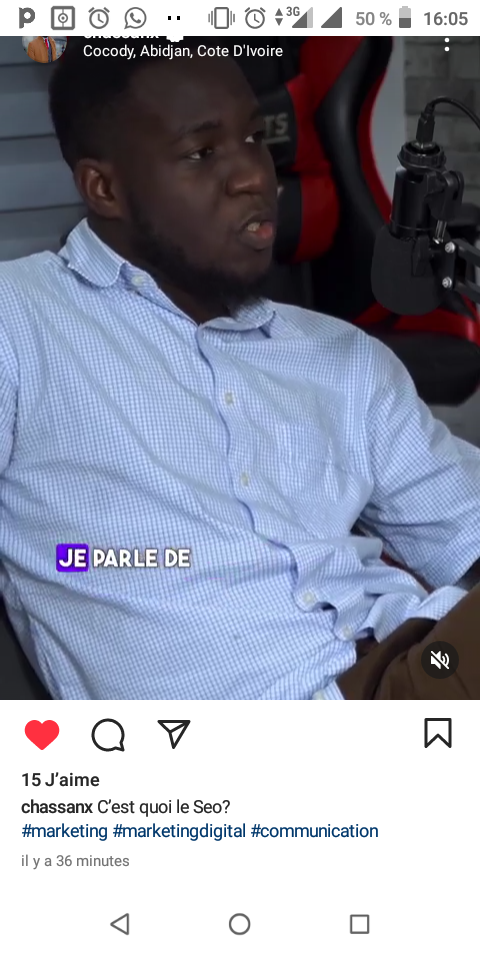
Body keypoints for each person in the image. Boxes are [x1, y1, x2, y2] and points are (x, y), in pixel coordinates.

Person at [0, 38, 480, 700]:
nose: (254, 176)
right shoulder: (21, 322)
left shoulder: (341, 357)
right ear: (104, 189)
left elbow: (465, 526)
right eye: (201, 153)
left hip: (416, 669)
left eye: (255, 139)